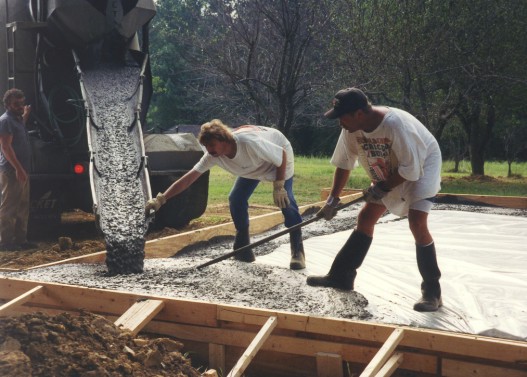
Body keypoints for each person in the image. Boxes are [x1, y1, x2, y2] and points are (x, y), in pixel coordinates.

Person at [307, 87, 443, 312]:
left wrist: (382, 187)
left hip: (422, 165)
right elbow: (344, 163)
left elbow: (411, 168)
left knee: (417, 222)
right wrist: (332, 200)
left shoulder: (395, 125)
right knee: (366, 217)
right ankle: (341, 276)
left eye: (342, 117)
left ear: (359, 113)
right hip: (392, 165)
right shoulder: (351, 128)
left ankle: (432, 292)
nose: (340, 122)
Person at [146, 119, 306, 269]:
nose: (209, 150)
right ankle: (243, 246)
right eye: (206, 146)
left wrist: (279, 186)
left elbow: (281, 155)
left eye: (212, 145)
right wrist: (162, 199)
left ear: (224, 140)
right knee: (236, 199)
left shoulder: (248, 143)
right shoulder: (213, 156)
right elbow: (189, 179)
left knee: (287, 202)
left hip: (277, 159)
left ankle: (298, 250)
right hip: (251, 167)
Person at [0, 88, 36, 251]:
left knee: (22, 205)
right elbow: (6, 147)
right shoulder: (6, 120)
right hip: (12, 171)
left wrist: (26, 114)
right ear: (7, 104)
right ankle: (6, 242)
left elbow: (20, 124)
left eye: (22, 103)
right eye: (16, 104)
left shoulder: (17, 119)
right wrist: (18, 169)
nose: (20, 106)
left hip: (22, 170)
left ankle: (21, 240)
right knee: (9, 207)